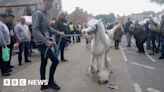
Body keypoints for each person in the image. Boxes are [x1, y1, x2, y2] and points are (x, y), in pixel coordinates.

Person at [32, 0, 64, 90]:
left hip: (45, 42)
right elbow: (35, 30)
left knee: (44, 62)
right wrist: (46, 41)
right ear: (46, 2)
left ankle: (43, 84)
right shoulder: (38, 13)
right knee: (55, 61)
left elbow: (48, 28)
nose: (53, 5)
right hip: (42, 43)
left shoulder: (46, 14)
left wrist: (59, 33)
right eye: (52, 3)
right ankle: (50, 82)